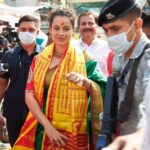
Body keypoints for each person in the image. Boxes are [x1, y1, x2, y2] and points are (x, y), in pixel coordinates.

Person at [12, 8, 106, 150]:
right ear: (50, 29)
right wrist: (48, 127)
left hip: (73, 131)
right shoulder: (39, 59)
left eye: (66, 29)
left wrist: (86, 82)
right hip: (42, 129)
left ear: (73, 31)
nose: (61, 34)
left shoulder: (86, 60)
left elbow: (103, 89)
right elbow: (29, 94)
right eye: (56, 28)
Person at [98, 0, 150, 141]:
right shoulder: (118, 57)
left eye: (115, 29)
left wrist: (138, 137)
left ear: (137, 25)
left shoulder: (147, 59)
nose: (110, 36)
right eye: (106, 30)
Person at [0, 15, 43, 147]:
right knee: (17, 145)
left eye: (31, 29)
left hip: (38, 113)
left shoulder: (46, 55)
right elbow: (1, 85)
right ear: (18, 31)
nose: (27, 33)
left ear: (37, 31)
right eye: (23, 29)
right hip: (14, 112)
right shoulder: (8, 55)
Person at [75, 11, 111, 76]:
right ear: (79, 27)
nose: (87, 26)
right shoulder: (72, 47)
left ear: (96, 26)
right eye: (83, 24)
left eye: (90, 23)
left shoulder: (107, 47)